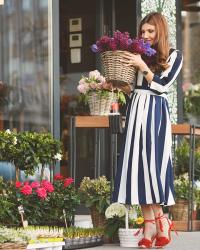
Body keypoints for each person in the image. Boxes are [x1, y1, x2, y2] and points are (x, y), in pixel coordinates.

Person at [112, 12, 183, 248]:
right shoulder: (137, 54)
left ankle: (159, 222)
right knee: (136, 166)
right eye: (143, 31)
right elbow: (133, 89)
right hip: (135, 110)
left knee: (153, 165)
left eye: (150, 31)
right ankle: (151, 224)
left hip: (155, 113)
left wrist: (142, 65)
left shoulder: (174, 55)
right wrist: (117, 84)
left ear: (160, 32)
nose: (145, 36)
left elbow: (162, 86)